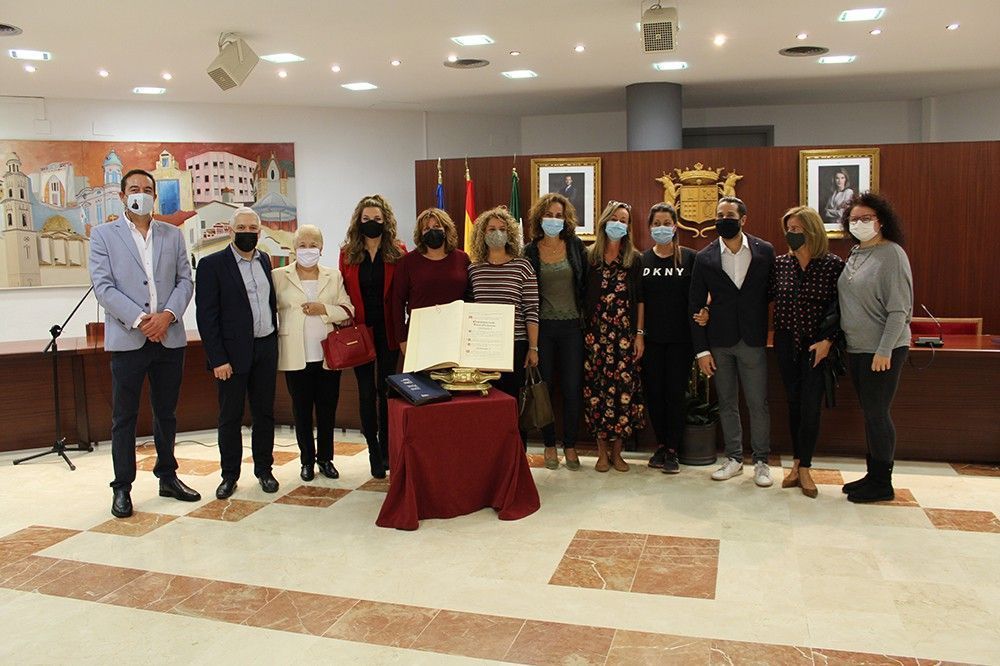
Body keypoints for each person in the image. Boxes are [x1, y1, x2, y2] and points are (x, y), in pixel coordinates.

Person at [89, 168, 199, 518]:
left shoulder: (172, 235)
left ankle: (168, 477)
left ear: (154, 195)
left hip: (169, 336)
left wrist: (167, 316)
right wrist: (141, 320)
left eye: (147, 189)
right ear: (122, 196)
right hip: (129, 339)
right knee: (124, 416)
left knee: (166, 413)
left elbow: (185, 280)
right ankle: (122, 487)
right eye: (134, 189)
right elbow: (104, 287)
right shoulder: (103, 235)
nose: (141, 194)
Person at [690, 196, 775, 487]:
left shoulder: (764, 251)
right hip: (720, 342)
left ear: (743, 219)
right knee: (727, 402)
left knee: (757, 403)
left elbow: (772, 291)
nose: (723, 219)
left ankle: (761, 461)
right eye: (719, 215)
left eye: (729, 215)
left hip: (752, 340)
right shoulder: (705, 257)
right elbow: (695, 304)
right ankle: (734, 458)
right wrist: (701, 350)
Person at [195, 207, 279, 499]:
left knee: (264, 414)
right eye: (241, 228)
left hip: (265, 347)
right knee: (230, 417)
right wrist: (217, 358)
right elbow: (207, 317)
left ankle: (264, 470)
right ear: (231, 231)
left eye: (252, 228)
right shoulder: (211, 265)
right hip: (231, 355)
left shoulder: (265, 260)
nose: (247, 233)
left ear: (259, 231)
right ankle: (229, 475)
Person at [837, 192, 913, 503]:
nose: (859, 223)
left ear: (881, 221)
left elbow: (899, 310)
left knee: (878, 414)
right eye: (854, 219)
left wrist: (884, 350)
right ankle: (873, 474)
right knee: (870, 414)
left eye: (866, 218)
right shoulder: (856, 253)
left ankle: (883, 483)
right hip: (858, 348)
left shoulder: (892, 254)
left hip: (883, 350)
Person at [771, 206, 845, 498]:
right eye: (788, 229)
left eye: (797, 229)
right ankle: (796, 463)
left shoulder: (832, 265)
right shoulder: (780, 264)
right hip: (786, 342)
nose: (791, 234)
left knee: (811, 405)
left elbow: (841, 308)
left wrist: (829, 340)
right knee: (793, 403)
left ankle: (805, 467)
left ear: (812, 231)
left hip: (817, 345)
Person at [273, 225, 354, 482]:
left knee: (327, 410)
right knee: (302, 411)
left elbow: (348, 309)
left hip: (328, 356)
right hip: (295, 355)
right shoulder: (278, 276)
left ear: (321, 248)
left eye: (313, 245)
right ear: (294, 248)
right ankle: (306, 461)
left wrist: (324, 309)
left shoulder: (334, 276)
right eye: (302, 245)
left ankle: (326, 459)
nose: (307, 250)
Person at [339, 195, 407, 479]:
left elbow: (403, 292)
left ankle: (388, 448)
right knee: (366, 392)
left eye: (377, 219)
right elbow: (342, 291)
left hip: (389, 330)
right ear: (358, 221)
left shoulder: (398, 252)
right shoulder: (347, 253)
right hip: (360, 331)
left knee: (387, 390)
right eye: (366, 219)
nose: (371, 223)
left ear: (385, 221)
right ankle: (372, 450)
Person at [523, 193, 587, 471]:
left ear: (566, 219)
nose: (554, 219)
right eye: (549, 215)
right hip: (542, 329)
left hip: (573, 328)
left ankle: (570, 444)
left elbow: (585, 285)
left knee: (572, 388)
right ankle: (549, 444)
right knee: (544, 389)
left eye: (559, 215)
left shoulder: (575, 247)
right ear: (540, 218)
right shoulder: (529, 251)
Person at [467, 206, 540, 447]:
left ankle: (517, 455)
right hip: (482, 350)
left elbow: (531, 309)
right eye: (491, 229)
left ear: (510, 234)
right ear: (482, 234)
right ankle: (491, 454)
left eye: (502, 229)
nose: (497, 233)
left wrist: (533, 348)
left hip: (515, 347)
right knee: (486, 406)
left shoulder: (523, 266)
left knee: (513, 404)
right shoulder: (474, 269)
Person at [583, 201, 645, 473]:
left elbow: (640, 300)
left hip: (624, 338)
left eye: (624, 220)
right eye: (614, 218)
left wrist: (639, 335)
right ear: (604, 221)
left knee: (623, 395)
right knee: (596, 393)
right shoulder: (589, 257)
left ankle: (618, 453)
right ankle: (601, 453)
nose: (618, 224)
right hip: (595, 338)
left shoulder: (634, 259)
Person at [640, 203, 698, 475]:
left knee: (675, 394)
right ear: (649, 227)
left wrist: (706, 311)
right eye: (656, 223)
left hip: (681, 340)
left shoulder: (690, 258)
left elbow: (702, 293)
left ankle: (673, 449)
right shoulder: (642, 260)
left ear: (675, 227)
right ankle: (661, 445)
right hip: (651, 340)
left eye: (666, 223)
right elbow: (638, 300)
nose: (661, 228)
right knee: (654, 393)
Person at [392, 207, 470, 355]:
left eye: (436, 227)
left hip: (455, 333)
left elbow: (469, 296)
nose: (432, 231)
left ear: (446, 230)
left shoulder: (462, 258)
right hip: (420, 334)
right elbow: (397, 302)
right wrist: (402, 339)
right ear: (420, 234)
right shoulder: (407, 262)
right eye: (426, 229)